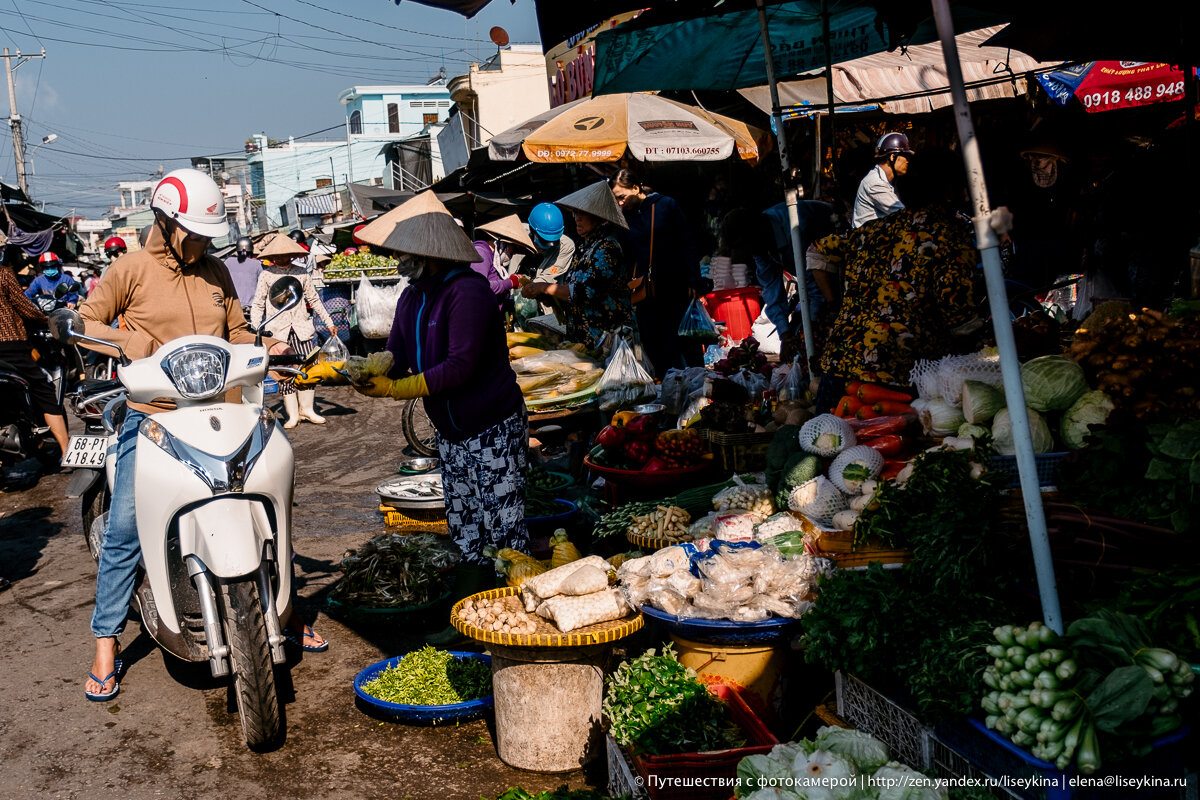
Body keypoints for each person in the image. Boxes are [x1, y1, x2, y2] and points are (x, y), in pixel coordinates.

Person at [77, 168, 325, 703]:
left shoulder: (217, 272)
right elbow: (87, 321)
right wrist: (130, 344)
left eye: (207, 234)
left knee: (273, 504)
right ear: (165, 222)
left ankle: (284, 608)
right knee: (125, 530)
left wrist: (266, 355)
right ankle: (104, 641)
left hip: (224, 410)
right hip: (154, 413)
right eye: (193, 232)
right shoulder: (130, 269)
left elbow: (236, 332)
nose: (202, 242)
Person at [349, 190, 528, 621]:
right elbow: (397, 352)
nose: (397, 259)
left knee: (502, 527)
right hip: (450, 432)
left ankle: (515, 617)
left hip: (492, 426)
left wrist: (395, 391)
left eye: (404, 252)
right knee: (466, 523)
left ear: (429, 253)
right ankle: (469, 614)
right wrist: (364, 370)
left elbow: (461, 366)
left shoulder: (468, 292)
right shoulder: (412, 296)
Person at [812, 150, 980, 411]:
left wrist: (835, 304)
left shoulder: (876, 229)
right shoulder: (949, 237)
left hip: (841, 366)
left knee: (825, 446)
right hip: (899, 379)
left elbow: (816, 252)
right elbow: (959, 314)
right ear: (953, 191)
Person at [609, 169, 702, 377]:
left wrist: (694, 280)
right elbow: (624, 255)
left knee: (686, 342)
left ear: (636, 188)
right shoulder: (624, 218)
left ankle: (699, 388)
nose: (621, 203)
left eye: (622, 197)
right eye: (616, 200)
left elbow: (687, 242)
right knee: (656, 346)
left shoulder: (666, 205)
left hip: (675, 286)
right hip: (645, 294)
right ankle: (669, 393)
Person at [521, 181, 633, 350]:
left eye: (583, 213)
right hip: (582, 342)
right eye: (575, 213)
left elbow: (583, 292)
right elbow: (570, 289)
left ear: (598, 217)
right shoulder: (583, 248)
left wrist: (545, 287)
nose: (577, 218)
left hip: (605, 341)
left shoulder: (607, 248)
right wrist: (550, 298)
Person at [250, 234, 337, 429]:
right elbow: (257, 304)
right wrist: (255, 329)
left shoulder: (301, 273)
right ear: (272, 257)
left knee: (307, 368)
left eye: (286, 255)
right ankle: (293, 414)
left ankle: (307, 409)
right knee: (284, 372)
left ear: (292, 254)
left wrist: (329, 321)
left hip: (301, 328)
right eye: (278, 256)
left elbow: (314, 300)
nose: (282, 259)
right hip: (278, 332)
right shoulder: (266, 275)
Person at [0, 262, 71, 458]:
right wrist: (45, 319)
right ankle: (67, 452)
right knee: (43, 389)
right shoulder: (3, 274)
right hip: (9, 345)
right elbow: (23, 306)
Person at [471, 214, 537, 309]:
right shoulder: (481, 253)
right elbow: (479, 287)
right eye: (514, 248)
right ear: (502, 241)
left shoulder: (495, 259)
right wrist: (510, 282)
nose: (514, 253)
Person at [851, 132, 913, 229]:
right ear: (892, 157)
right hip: (868, 241)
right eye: (905, 156)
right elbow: (904, 214)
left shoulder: (887, 181)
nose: (908, 161)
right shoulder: (875, 183)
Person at [223, 236, 262, 314]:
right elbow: (262, 284)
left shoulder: (228, 262)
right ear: (251, 250)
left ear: (237, 250)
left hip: (231, 306)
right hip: (251, 307)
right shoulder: (256, 264)